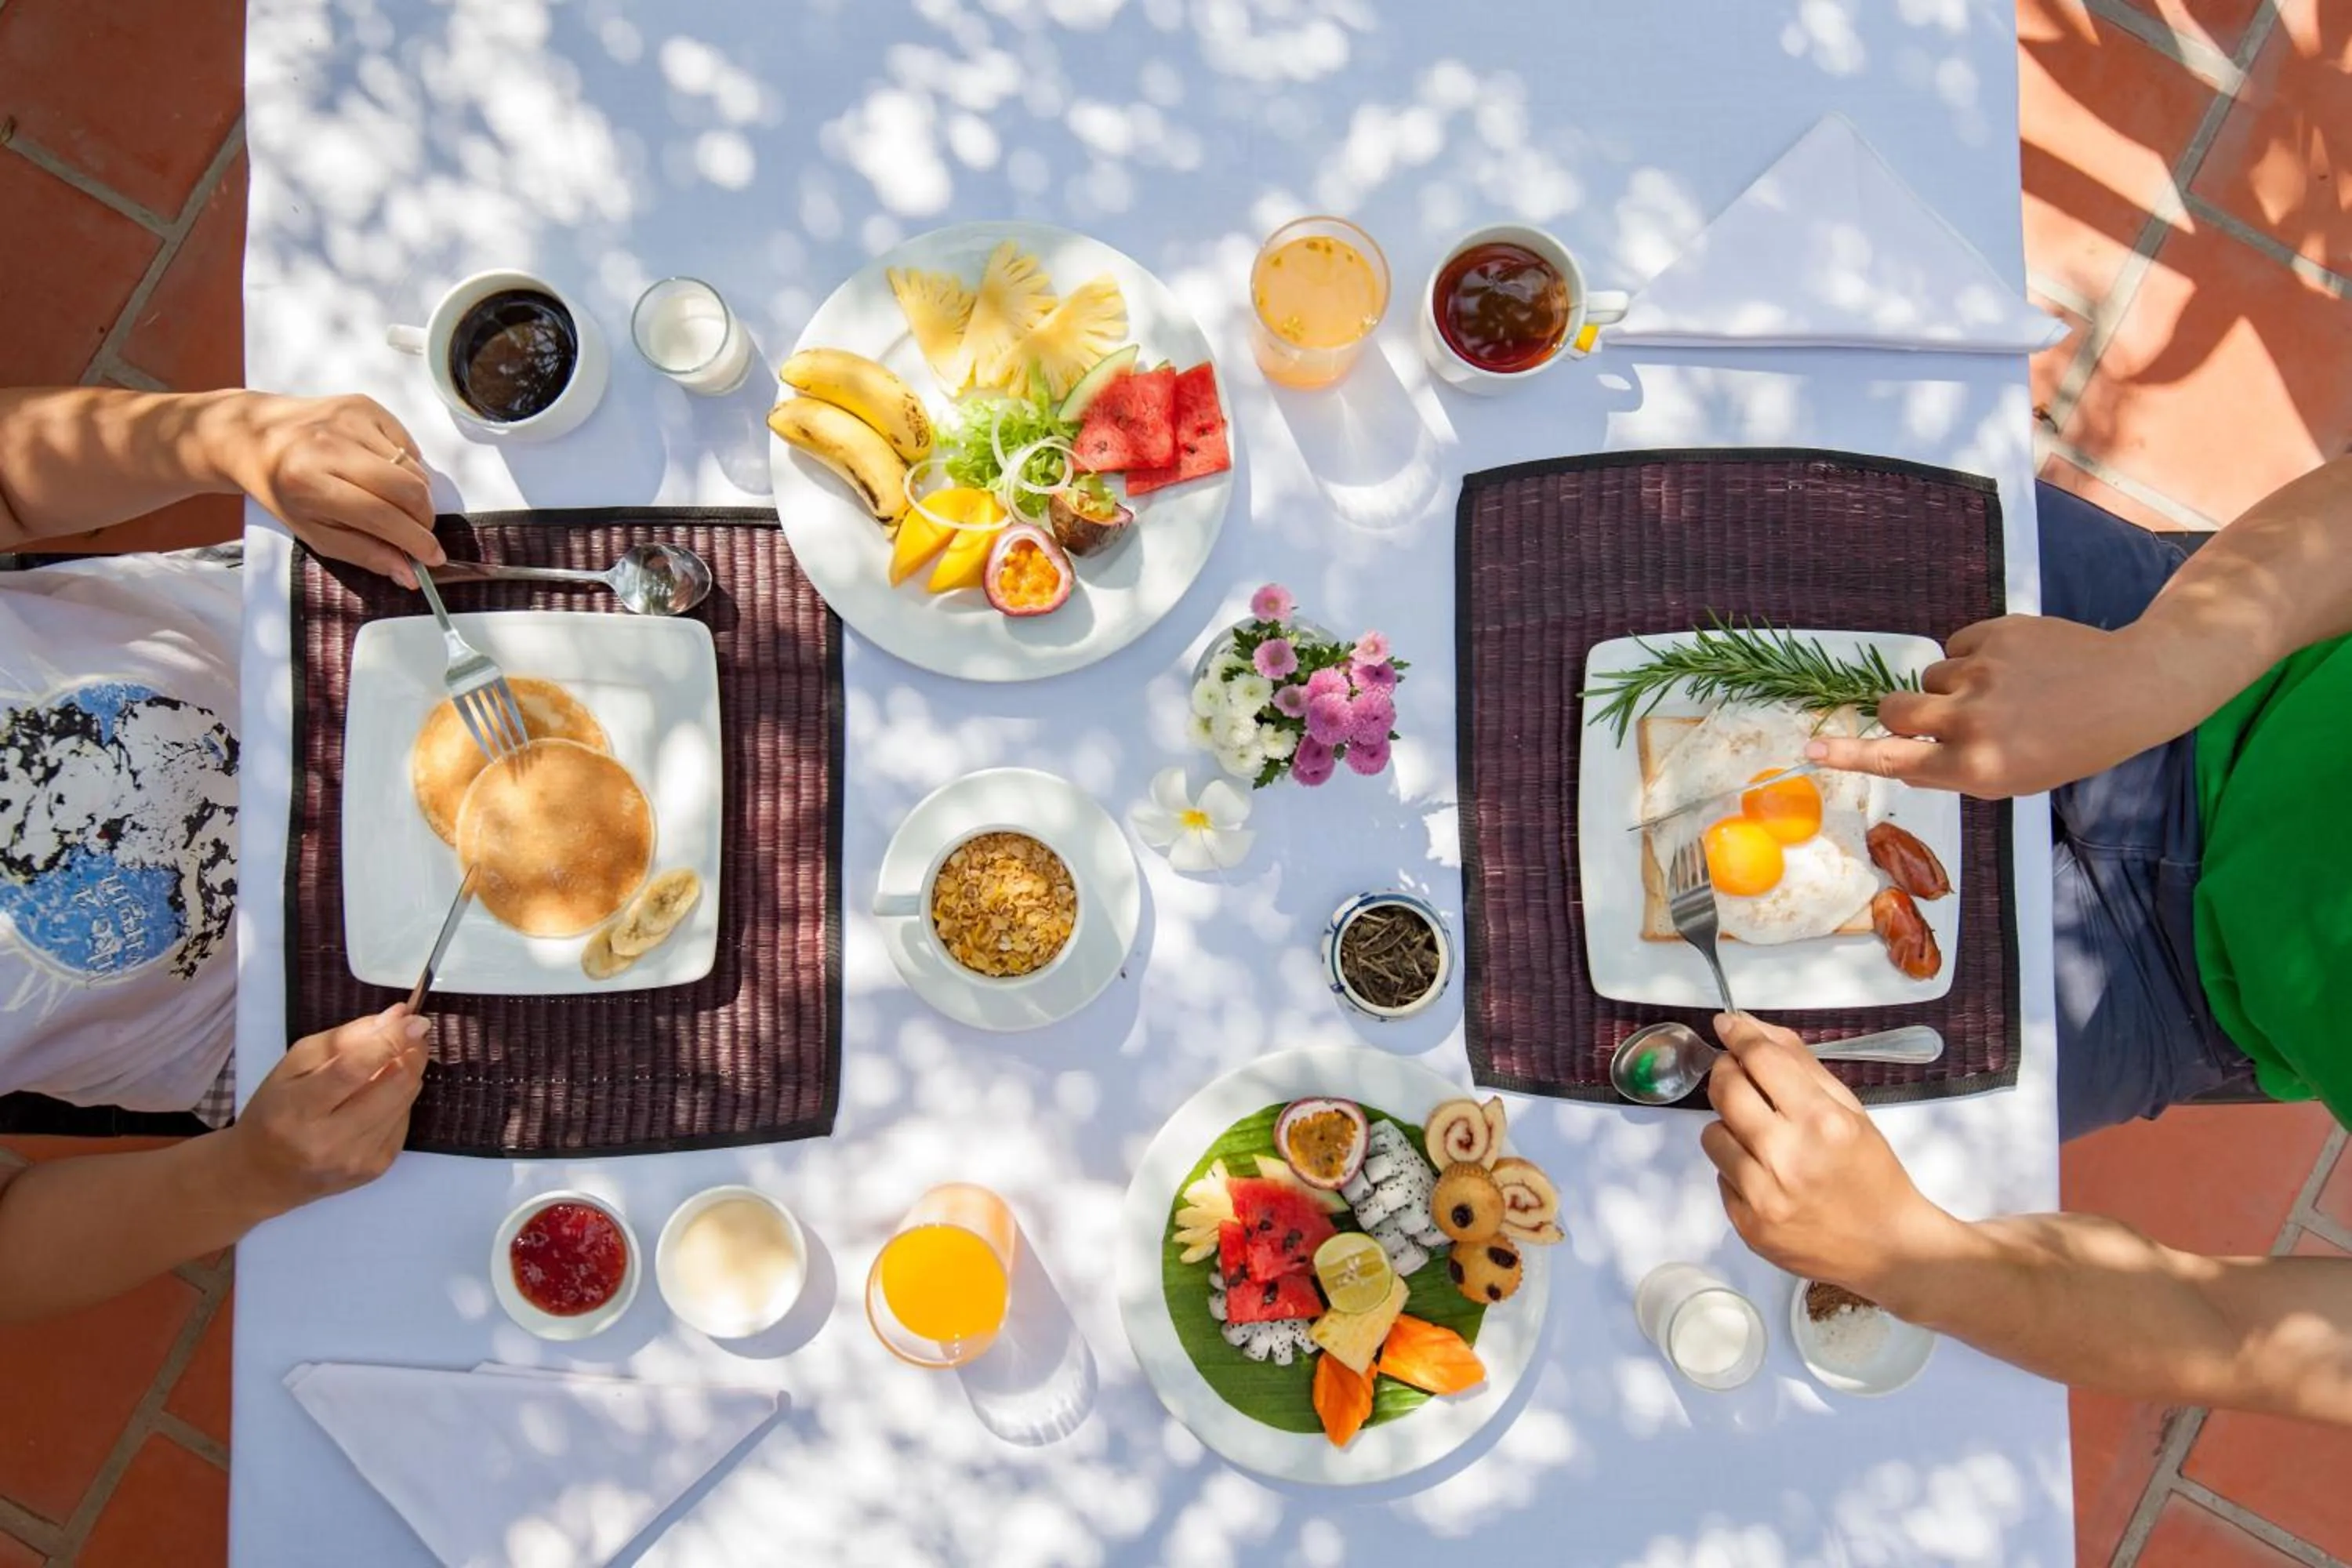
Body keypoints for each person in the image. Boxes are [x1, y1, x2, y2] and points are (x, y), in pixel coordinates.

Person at [1705, 456, 2352, 1424]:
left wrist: (1909, 1256)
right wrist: (2148, 673)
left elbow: (2232, 1332)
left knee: (1722, 1121)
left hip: (2180, 994)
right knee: (1736, 504)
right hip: (2214, 657)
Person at [0, 386, 449, 1323]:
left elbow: (13, 474)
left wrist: (228, 435)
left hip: (282, 635)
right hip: (282, 1034)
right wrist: (248, 1173)